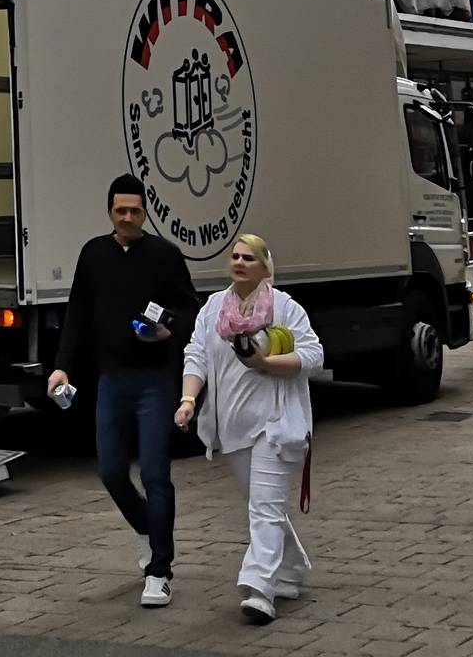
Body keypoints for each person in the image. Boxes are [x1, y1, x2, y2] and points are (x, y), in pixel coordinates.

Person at [47, 174, 205, 609]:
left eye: (136, 211)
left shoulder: (165, 256)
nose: (129, 217)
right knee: (112, 471)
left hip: (155, 382)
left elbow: (191, 310)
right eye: (121, 211)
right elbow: (77, 312)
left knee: (155, 473)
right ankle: (146, 528)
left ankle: (160, 571)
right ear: (110, 212)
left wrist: (164, 330)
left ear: (145, 212)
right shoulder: (94, 254)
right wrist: (61, 367)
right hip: (110, 380)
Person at [175, 234, 323, 626]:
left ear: (263, 267)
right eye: (235, 256)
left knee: (264, 507)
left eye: (248, 258)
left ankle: (258, 588)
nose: (239, 263)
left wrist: (266, 365)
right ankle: (290, 570)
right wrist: (189, 400)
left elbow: (314, 354)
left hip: (276, 426)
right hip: (232, 427)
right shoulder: (213, 308)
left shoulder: (284, 307)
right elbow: (197, 355)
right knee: (262, 505)